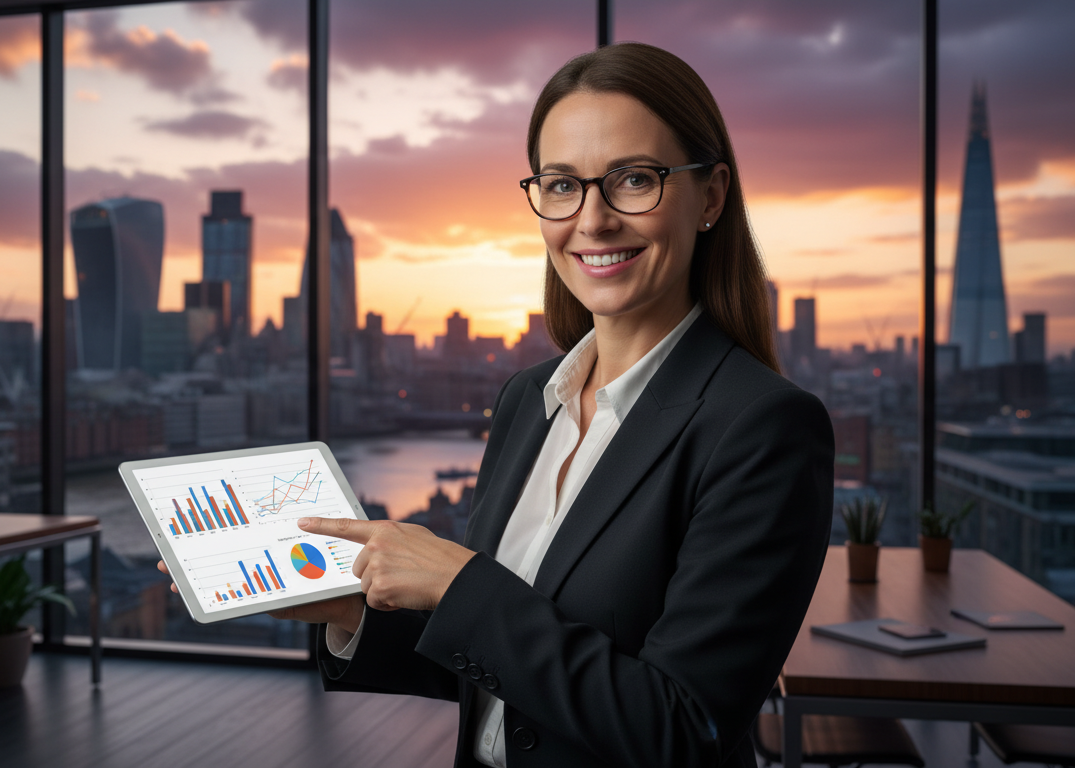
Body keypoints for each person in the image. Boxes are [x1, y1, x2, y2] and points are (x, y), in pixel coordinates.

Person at [161, 42, 833, 768]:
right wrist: (351, 609)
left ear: (711, 196)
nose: (594, 219)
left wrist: (458, 583)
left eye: (635, 179)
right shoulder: (526, 400)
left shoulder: (763, 427)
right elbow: (501, 672)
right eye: (562, 184)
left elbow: (681, 726)